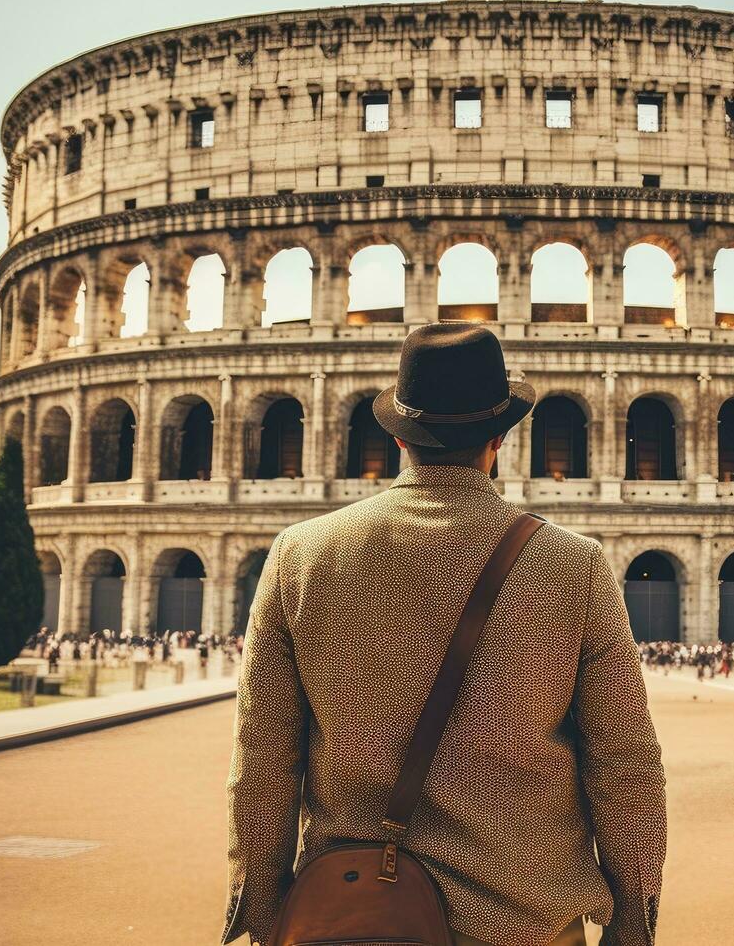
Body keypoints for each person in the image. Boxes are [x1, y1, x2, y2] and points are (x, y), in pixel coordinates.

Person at [224, 323, 667, 946]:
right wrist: (632, 913)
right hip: (526, 921)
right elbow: (625, 763)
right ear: (499, 439)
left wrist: (264, 905)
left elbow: (264, 760)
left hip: (356, 918)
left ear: (401, 439)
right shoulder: (574, 566)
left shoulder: (302, 555)